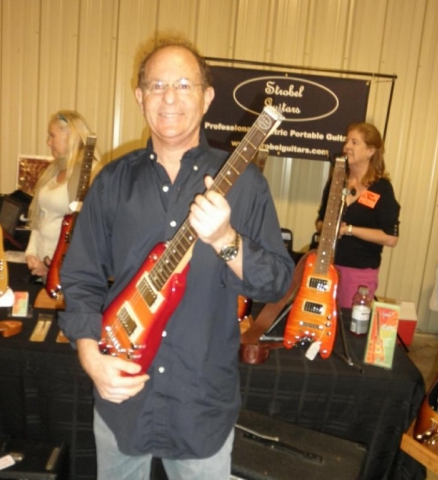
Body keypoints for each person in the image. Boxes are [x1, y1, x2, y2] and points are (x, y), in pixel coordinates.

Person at [58, 35, 293, 480]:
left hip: (201, 407)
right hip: (122, 403)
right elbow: (81, 278)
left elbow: (278, 282)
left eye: (184, 85)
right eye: (157, 85)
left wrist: (226, 239)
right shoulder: (112, 182)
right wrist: (91, 357)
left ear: (207, 97)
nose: (169, 97)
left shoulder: (245, 185)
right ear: (139, 96)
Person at [315, 122, 400, 308]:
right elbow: (320, 222)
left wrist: (349, 230)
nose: (347, 146)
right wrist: (330, 228)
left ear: (370, 151)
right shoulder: (336, 181)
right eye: (347, 141)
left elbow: (391, 238)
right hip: (325, 267)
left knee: (348, 325)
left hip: (359, 272)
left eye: (354, 142)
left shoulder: (382, 189)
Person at [25, 110, 102, 281]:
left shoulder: (91, 174)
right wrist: (31, 253)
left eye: (52, 136)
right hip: (45, 268)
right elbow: (41, 218)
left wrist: (53, 266)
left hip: (69, 273)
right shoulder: (53, 171)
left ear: (71, 137)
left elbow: (86, 234)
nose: (48, 142)